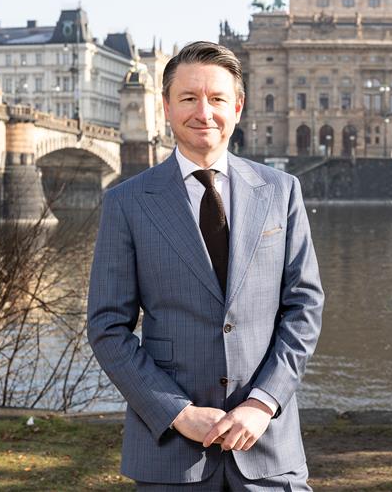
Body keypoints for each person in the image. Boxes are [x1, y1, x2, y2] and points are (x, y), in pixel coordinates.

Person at [87, 41, 324, 491]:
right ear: (166, 108)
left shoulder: (281, 191)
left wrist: (263, 402)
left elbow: (304, 307)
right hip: (171, 454)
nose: (204, 112)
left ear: (237, 107)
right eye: (188, 98)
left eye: (216, 98)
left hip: (268, 448)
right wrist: (177, 412)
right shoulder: (127, 203)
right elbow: (107, 328)